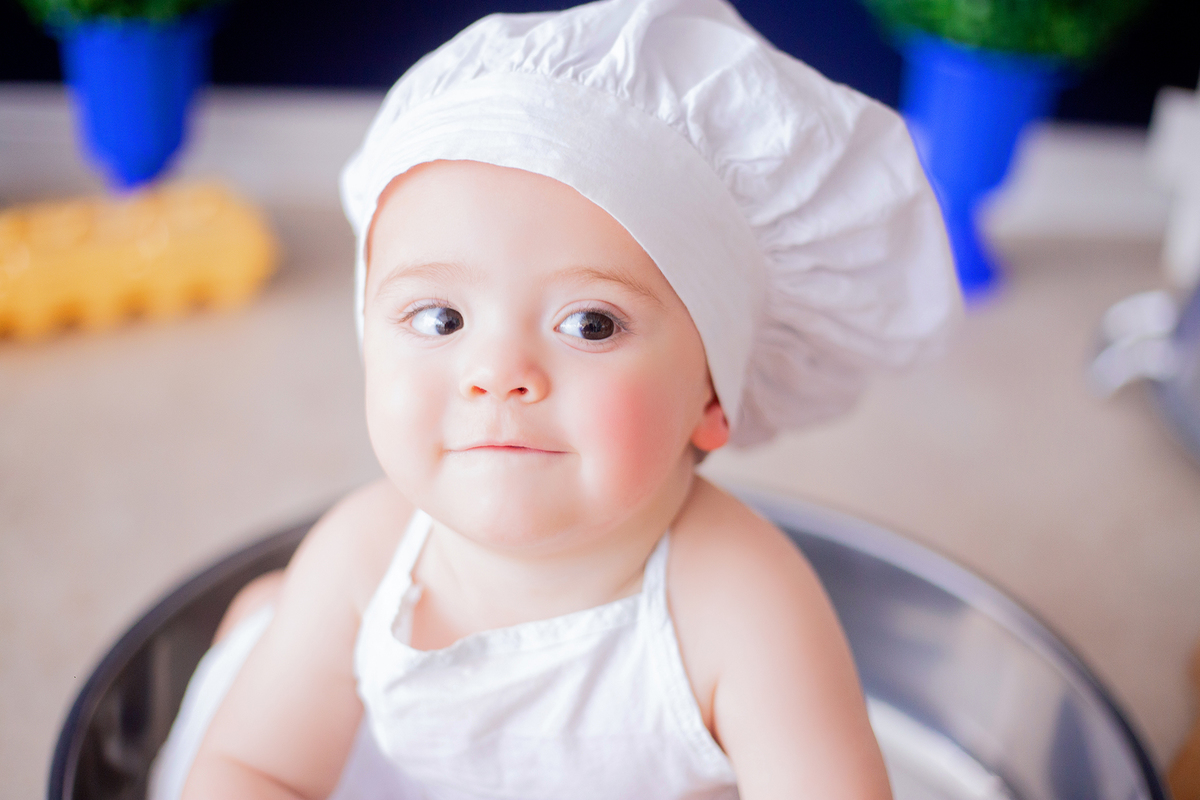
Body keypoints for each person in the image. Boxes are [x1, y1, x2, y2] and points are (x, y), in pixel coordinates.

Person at [150, 0, 960, 797]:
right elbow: (255, 771)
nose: (499, 371)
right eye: (441, 318)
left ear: (714, 398)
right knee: (268, 643)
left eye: (591, 323)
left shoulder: (742, 599)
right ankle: (264, 623)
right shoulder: (364, 559)